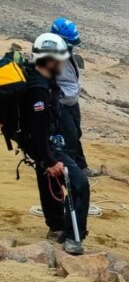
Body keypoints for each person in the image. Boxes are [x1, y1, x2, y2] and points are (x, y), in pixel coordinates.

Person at [20, 33, 90, 255]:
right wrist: (49, 159)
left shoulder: (44, 80)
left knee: (48, 180)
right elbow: (38, 130)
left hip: (47, 145)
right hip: (46, 146)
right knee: (80, 185)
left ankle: (56, 226)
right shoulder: (38, 89)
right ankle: (72, 237)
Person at [51, 18, 100, 177]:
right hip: (61, 105)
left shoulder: (67, 53)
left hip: (72, 103)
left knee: (76, 134)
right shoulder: (48, 56)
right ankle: (73, 171)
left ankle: (81, 166)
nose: (71, 48)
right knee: (69, 137)